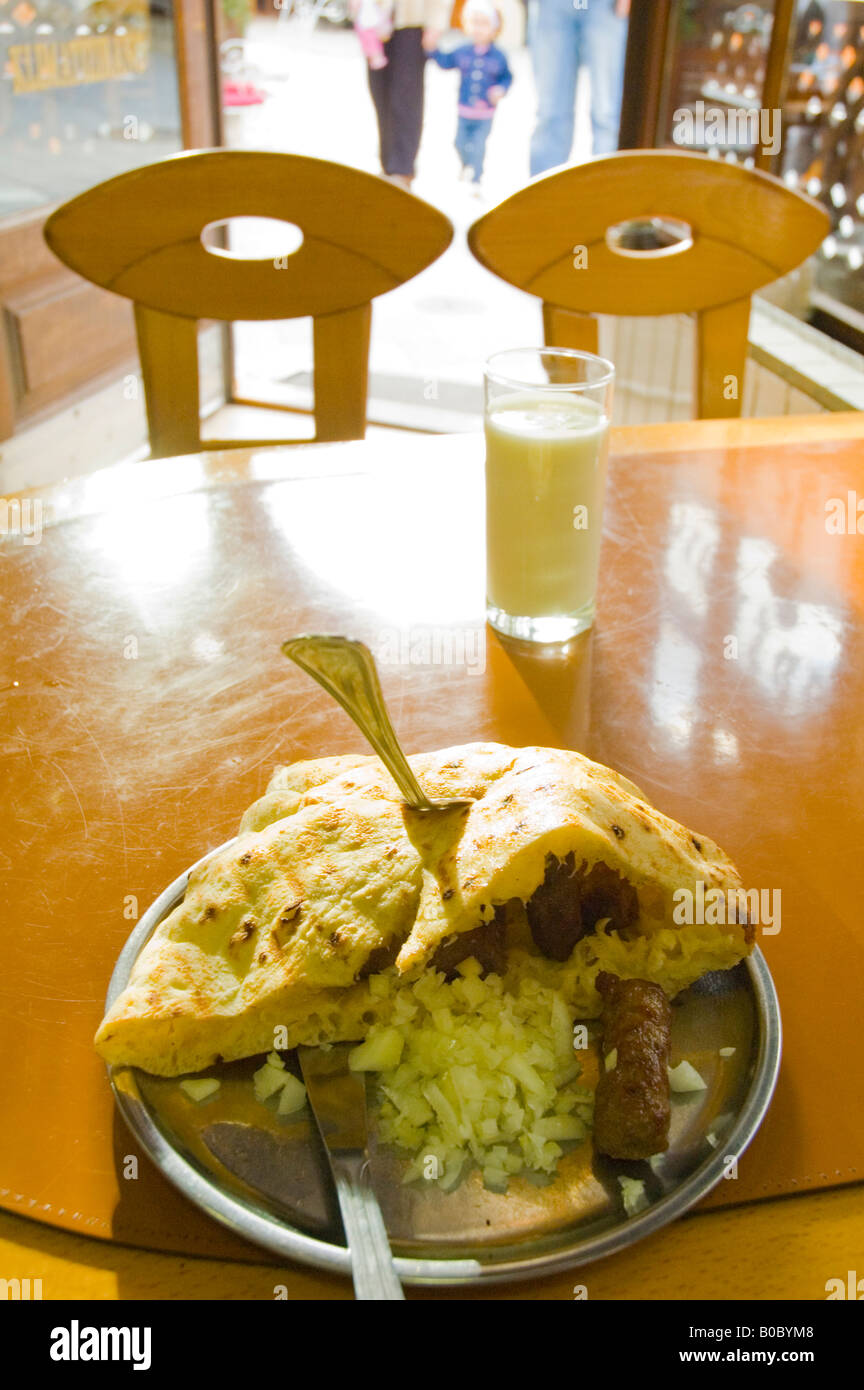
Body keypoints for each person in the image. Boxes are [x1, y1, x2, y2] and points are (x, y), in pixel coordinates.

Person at [529, 0, 630, 178]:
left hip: (606, 6)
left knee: (608, 113)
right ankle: (545, 197)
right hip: (551, 6)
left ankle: (608, 194)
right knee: (550, 111)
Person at [365, 0, 453, 190]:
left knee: (406, 96)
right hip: (374, 17)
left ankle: (402, 168)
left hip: (413, 20)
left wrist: (436, 23)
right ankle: (387, 163)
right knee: (379, 90)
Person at [430, 0, 513, 191]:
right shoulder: (462, 51)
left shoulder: (499, 56)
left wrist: (501, 90)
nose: (479, 29)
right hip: (464, 109)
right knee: (459, 142)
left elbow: (507, 78)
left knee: (478, 145)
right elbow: (445, 62)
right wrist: (432, 50)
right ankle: (465, 164)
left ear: (495, 28)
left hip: (485, 113)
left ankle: (476, 177)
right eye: (474, 22)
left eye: (484, 24)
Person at [351, 0, 394, 71]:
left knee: (372, 40)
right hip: (367, 20)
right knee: (369, 40)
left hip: (373, 20)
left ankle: (376, 56)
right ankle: (375, 56)